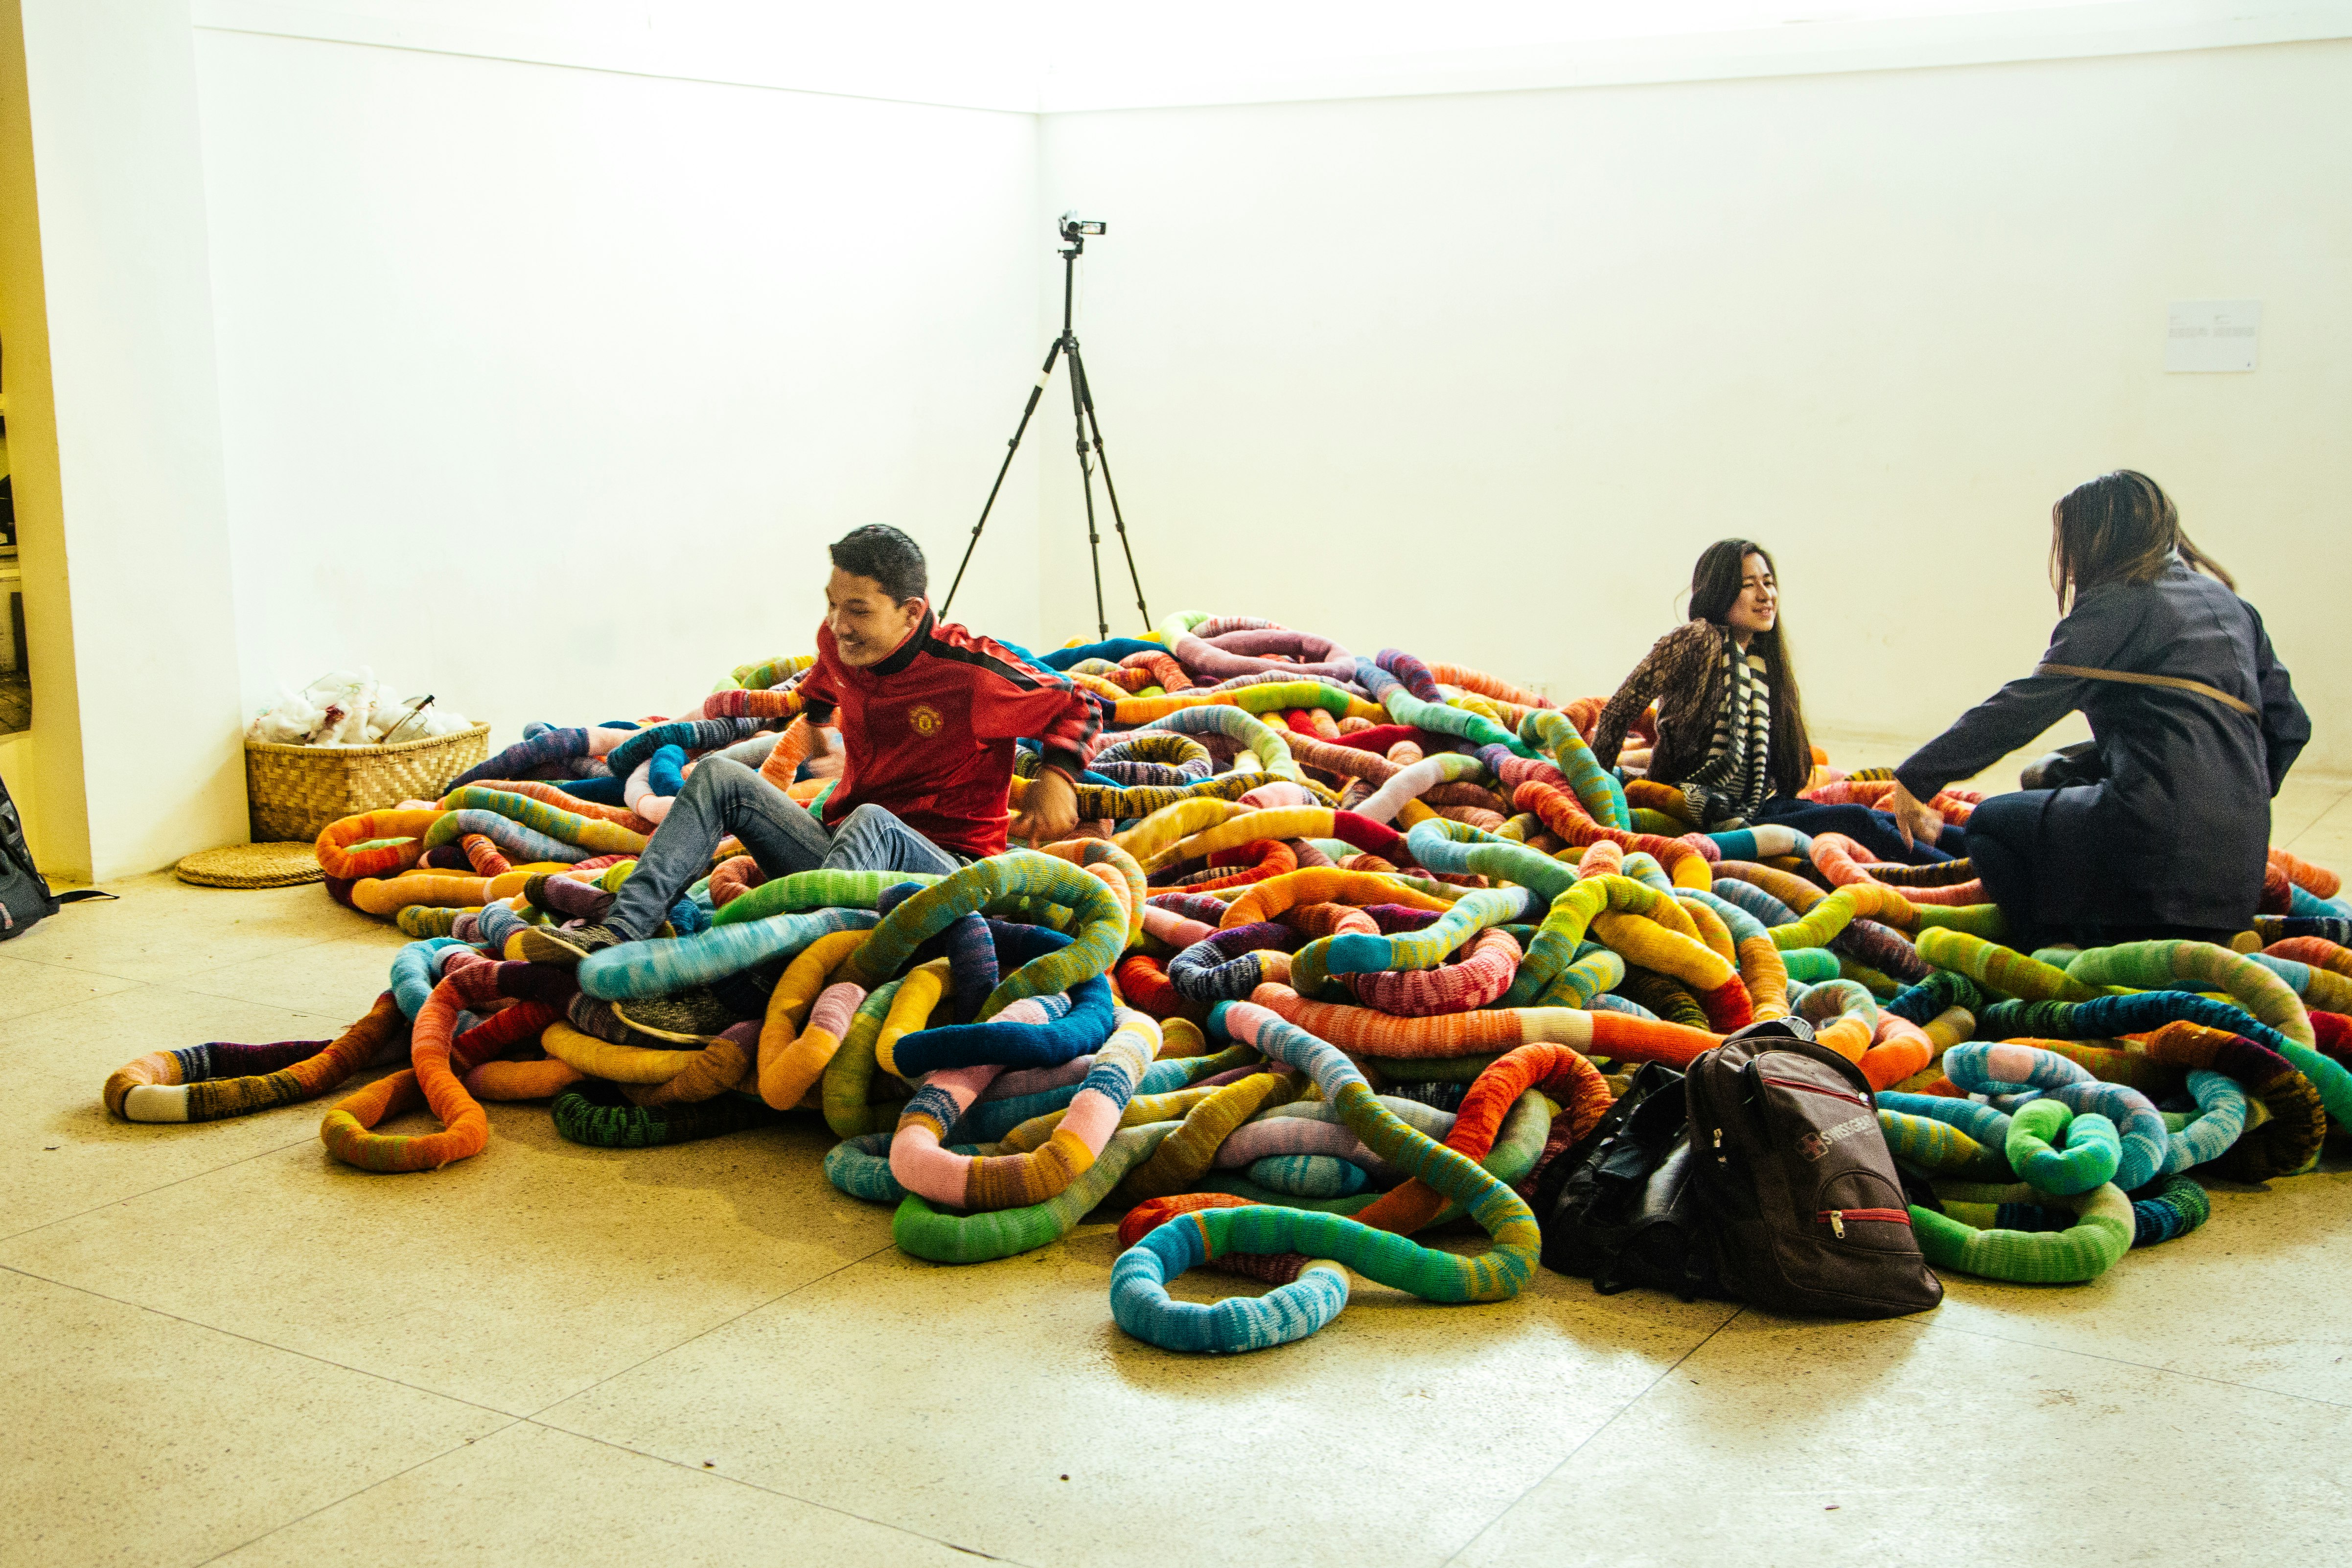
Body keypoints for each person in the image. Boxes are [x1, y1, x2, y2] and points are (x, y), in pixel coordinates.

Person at [519, 524, 1097, 967]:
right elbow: (825, 685)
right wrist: (811, 718)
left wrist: (1057, 777)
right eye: (832, 603)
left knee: (871, 819)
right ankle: (621, 929)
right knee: (719, 776)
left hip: (943, 869)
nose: (837, 624)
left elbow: (1079, 701)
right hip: (842, 852)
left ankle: (785, 967)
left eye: (858, 610)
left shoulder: (969, 670)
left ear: (912, 613)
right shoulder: (839, 642)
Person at [1886, 471, 2308, 948]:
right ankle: (2159, 924)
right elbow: (2291, 726)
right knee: (2051, 776)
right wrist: (2230, 801)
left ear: (2094, 540)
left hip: (2156, 850)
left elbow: (2021, 708)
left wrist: (1916, 778)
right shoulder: (2233, 606)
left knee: (1992, 823)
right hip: (2236, 880)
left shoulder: (2118, 601)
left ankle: (2059, 948)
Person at [1591, 538, 1955, 863]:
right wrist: (1595, 804)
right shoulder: (1696, 639)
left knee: (1875, 817)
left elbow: (1782, 773)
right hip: (1701, 807)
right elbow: (1618, 711)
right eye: (1749, 585)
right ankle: (1957, 871)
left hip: (1755, 807)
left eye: (1768, 582)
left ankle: (1982, 850)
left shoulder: (1763, 658)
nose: (1766, 595)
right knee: (1856, 822)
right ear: (1719, 592)